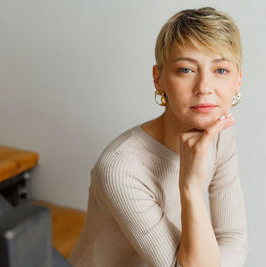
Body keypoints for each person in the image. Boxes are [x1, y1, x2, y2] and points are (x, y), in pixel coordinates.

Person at [68, 6, 249, 267]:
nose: (204, 88)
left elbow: (232, 237)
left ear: (237, 81)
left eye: (220, 70)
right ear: (159, 79)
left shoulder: (220, 135)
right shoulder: (121, 167)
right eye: (186, 70)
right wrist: (190, 185)